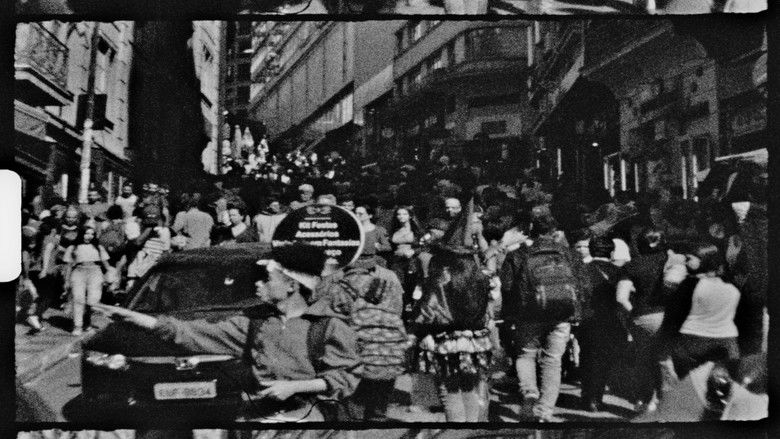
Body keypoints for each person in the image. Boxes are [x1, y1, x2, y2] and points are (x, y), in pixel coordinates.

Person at [93, 243, 361, 422]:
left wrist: (295, 387)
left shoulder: (327, 325)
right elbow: (191, 332)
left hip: (308, 417)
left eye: (267, 279)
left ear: (291, 286)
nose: (258, 285)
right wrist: (139, 319)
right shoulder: (253, 323)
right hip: (257, 416)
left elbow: (346, 376)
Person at [409, 201, 493, 422]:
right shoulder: (478, 273)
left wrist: (416, 331)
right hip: (474, 340)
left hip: (445, 339)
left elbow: (430, 308)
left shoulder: (441, 273)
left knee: (449, 392)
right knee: (470, 390)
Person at [501, 213, 586, 422]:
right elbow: (583, 285)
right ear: (554, 231)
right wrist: (576, 311)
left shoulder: (519, 255)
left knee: (525, 355)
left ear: (531, 229)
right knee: (553, 361)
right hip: (561, 314)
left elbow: (507, 286)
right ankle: (545, 411)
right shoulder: (570, 255)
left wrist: (510, 315)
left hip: (528, 314)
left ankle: (529, 392)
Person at [312, 251, 408, 421]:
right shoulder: (389, 280)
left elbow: (319, 315)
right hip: (388, 355)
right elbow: (398, 311)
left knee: (351, 409)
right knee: (377, 411)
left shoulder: (335, 283)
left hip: (355, 357)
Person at [615, 227, 679, 413]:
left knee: (644, 360)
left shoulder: (632, 266)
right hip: (669, 317)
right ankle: (671, 404)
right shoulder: (671, 261)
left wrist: (633, 314)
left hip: (642, 318)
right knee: (665, 360)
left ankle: (645, 401)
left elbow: (621, 298)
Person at [660, 242, 741, 379]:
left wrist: (664, 350)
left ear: (703, 260)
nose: (686, 262)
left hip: (692, 342)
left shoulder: (690, 284)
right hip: (728, 344)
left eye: (689, 258)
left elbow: (673, 317)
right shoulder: (732, 286)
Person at [577, 236, 626, 412]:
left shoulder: (582, 270)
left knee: (587, 356)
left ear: (591, 250)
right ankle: (597, 398)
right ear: (611, 253)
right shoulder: (620, 272)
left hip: (586, 319)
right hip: (611, 320)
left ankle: (587, 396)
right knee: (604, 359)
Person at [63, 225, 111, 336]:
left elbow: (106, 264)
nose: (89, 236)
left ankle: (87, 321)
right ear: (81, 234)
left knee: (92, 300)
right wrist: (66, 280)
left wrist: (111, 277)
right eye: (86, 233)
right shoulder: (73, 247)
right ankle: (77, 325)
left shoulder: (98, 247)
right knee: (78, 299)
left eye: (92, 234)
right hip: (79, 272)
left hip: (95, 272)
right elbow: (68, 266)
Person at [126, 205, 171, 290]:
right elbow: (137, 242)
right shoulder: (141, 228)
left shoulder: (163, 231)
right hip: (141, 263)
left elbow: (165, 252)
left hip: (153, 265)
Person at [389, 206, 422, 318]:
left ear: (410, 216)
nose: (401, 216)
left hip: (411, 262)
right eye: (398, 214)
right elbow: (390, 246)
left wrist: (413, 251)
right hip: (396, 262)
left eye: (404, 214)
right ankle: (400, 312)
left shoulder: (417, 231)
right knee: (398, 286)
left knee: (411, 287)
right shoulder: (394, 230)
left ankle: (411, 311)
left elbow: (425, 247)